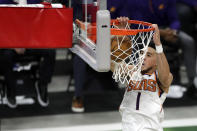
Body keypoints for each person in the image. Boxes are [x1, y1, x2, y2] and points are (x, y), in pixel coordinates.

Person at [119, 0, 197, 98]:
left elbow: (175, 20)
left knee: (188, 41)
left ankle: (193, 82)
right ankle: (137, 82)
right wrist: (161, 33)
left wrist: (173, 31)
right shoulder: (134, 2)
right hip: (143, 33)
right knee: (133, 42)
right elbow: (139, 24)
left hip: (166, 32)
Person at [111, 17, 173, 131]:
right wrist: (120, 33)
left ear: (156, 62)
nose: (142, 57)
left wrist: (158, 45)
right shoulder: (132, 72)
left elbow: (165, 76)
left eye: (148, 55)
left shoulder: (160, 77)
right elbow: (110, 64)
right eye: (141, 54)